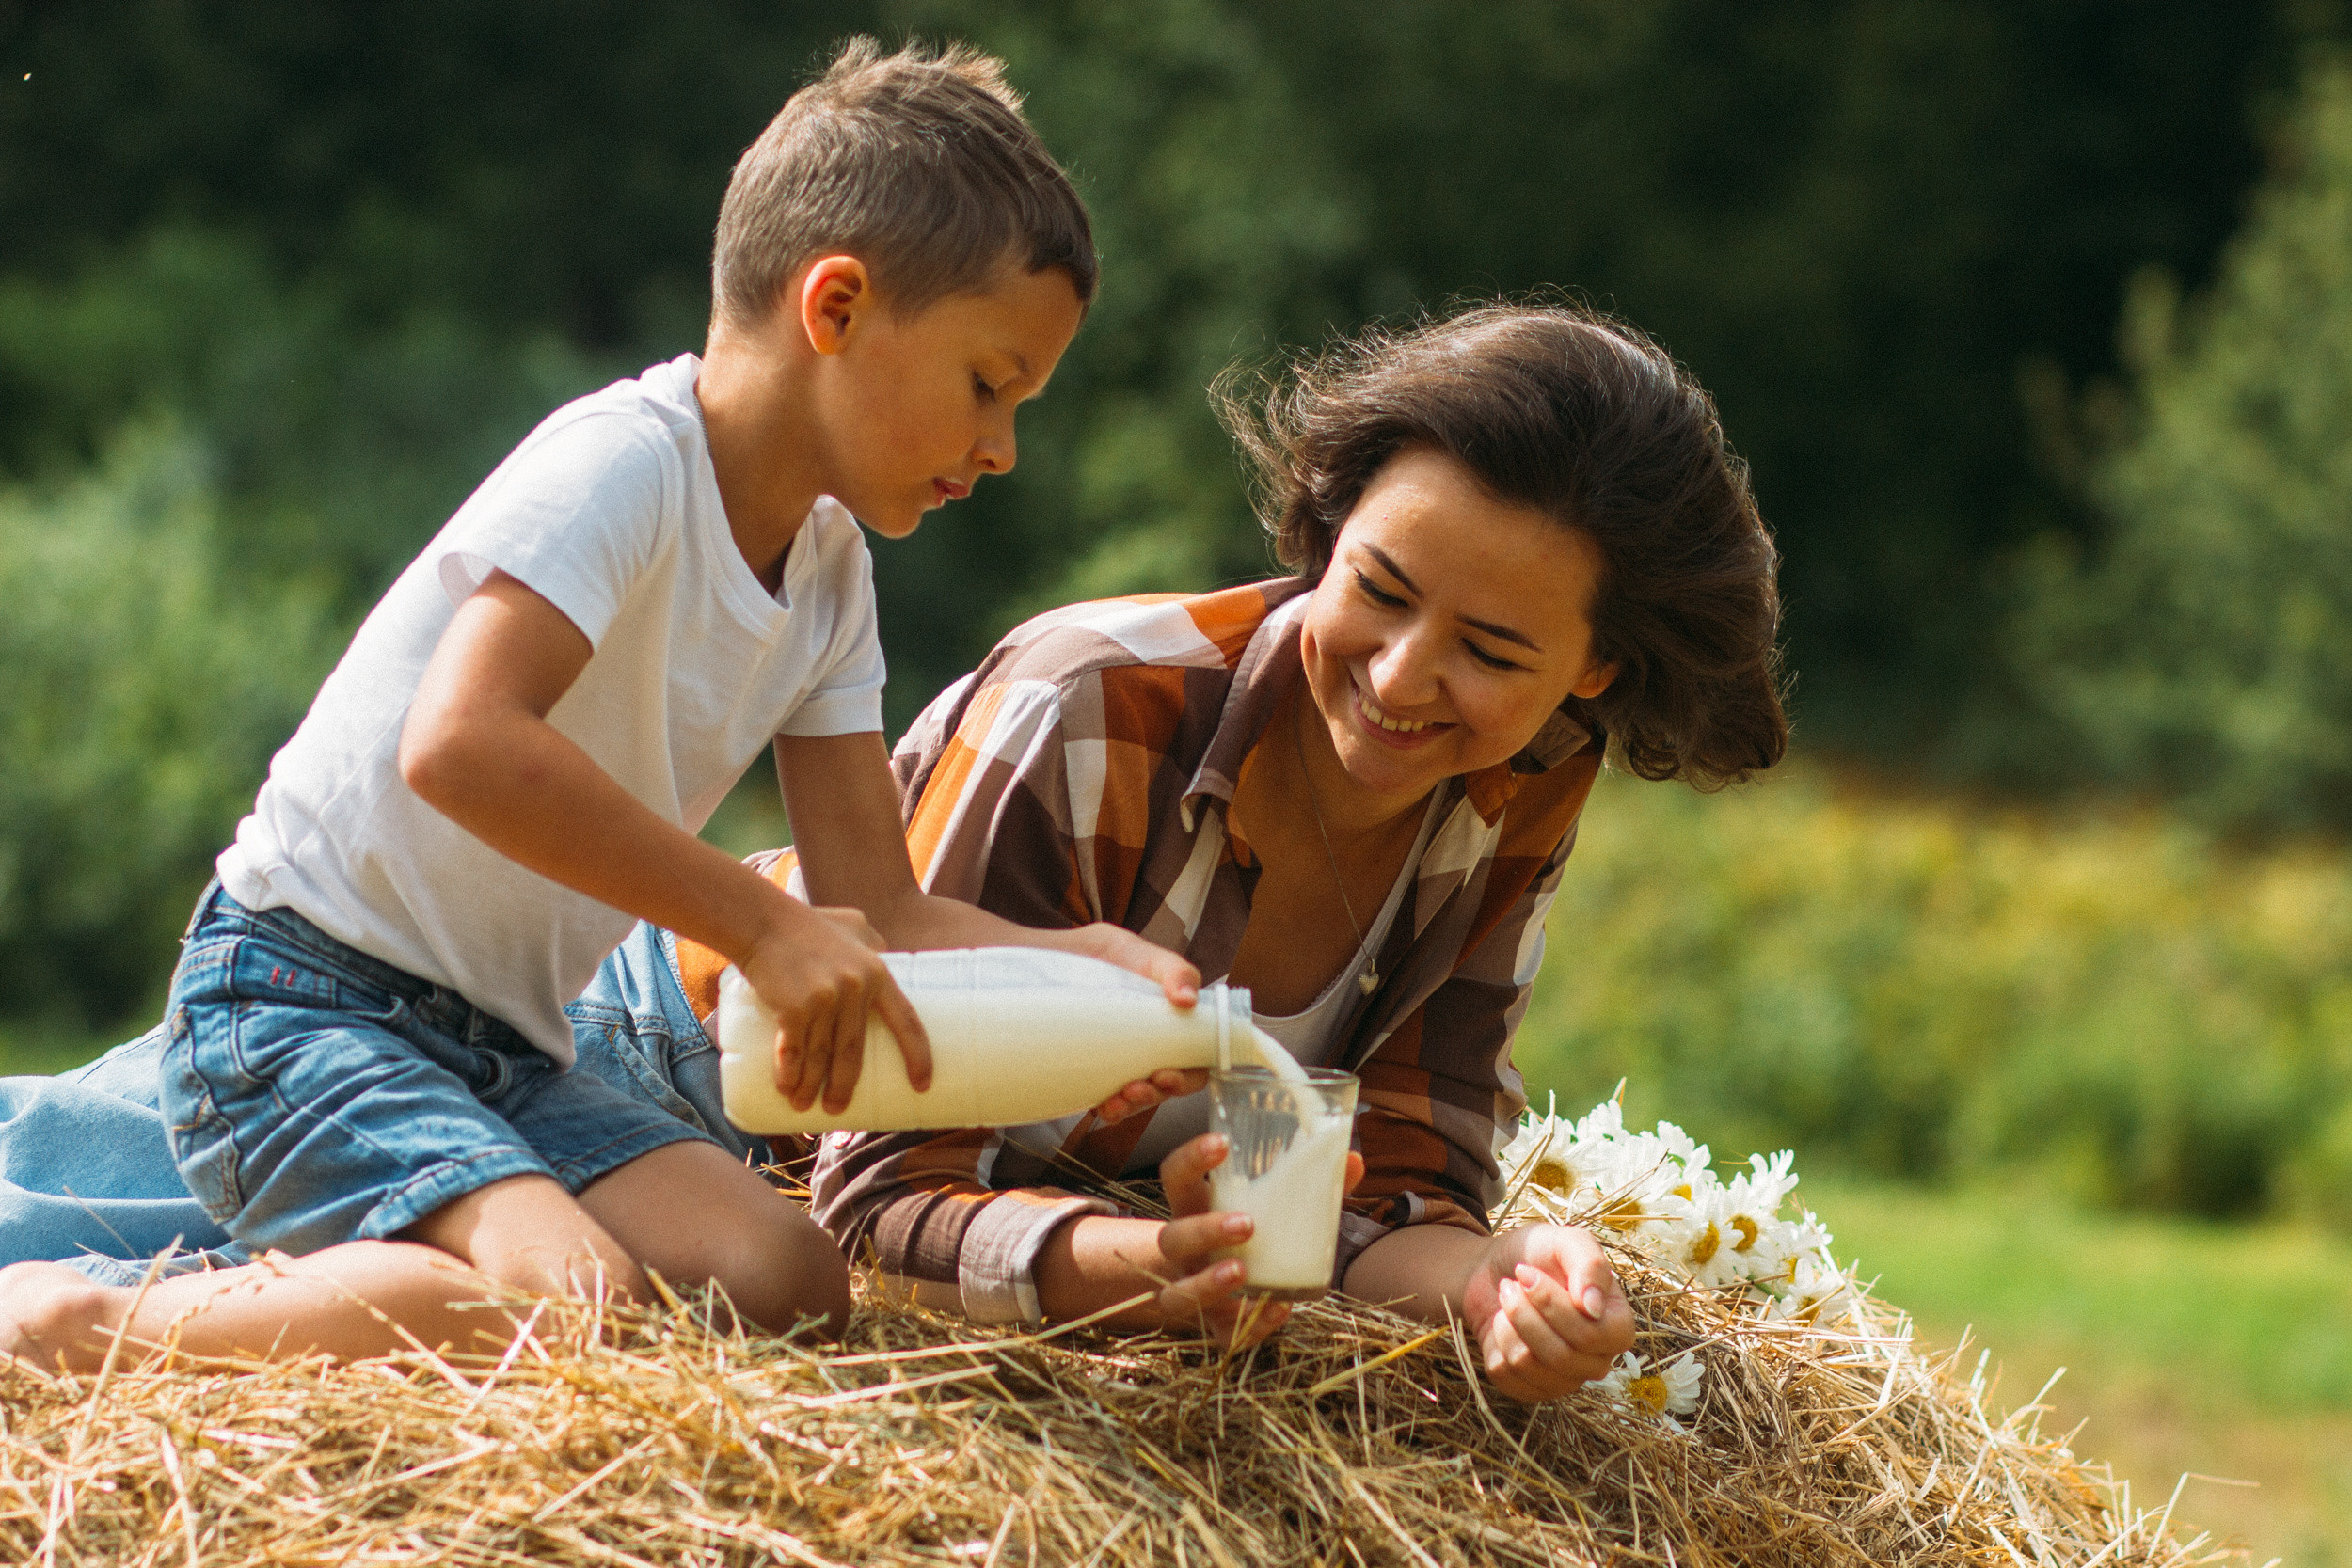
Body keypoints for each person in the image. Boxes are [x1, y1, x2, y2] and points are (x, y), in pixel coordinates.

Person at [0, 38, 1193, 1374]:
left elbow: (890, 906)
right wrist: (758, 923)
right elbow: (459, 743)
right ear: (837, 306)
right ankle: (75, 1316)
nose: (1003, 447)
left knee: (790, 1279)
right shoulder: (624, 464)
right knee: (576, 1308)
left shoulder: (830, 572)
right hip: (295, 1002)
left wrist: (1076, 967)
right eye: (990, 383)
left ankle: (371, 1271)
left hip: (502, 1044)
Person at [784, 301, 1788, 1402]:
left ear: (1593, 670)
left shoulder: (1523, 778)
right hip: (709, 1095)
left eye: (1491, 652)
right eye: (1379, 590)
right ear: (1332, 523)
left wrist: (1488, 1284)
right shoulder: (1087, 708)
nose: (1401, 679)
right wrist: (1147, 1270)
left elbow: (1395, 1179)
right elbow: (870, 1197)